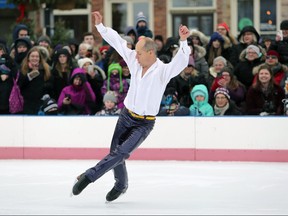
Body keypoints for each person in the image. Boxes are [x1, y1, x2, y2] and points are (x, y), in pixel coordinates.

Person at [72, 11, 190, 202]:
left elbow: (182, 61)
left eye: (139, 53)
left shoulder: (163, 71)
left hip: (144, 123)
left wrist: (183, 41)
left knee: (121, 153)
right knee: (115, 153)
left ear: (150, 53)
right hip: (125, 116)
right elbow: (117, 41)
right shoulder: (135, 62)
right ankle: (121, 185)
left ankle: (88, 176)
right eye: (135, 52)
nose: (135, 56)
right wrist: (101, 26)